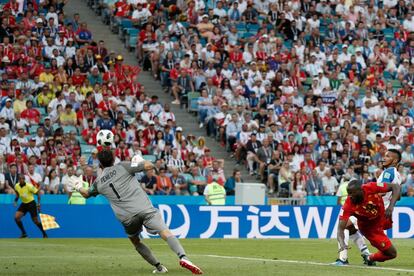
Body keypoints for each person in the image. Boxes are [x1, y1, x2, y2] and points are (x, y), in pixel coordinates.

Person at [73, 150, 203, 274]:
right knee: (164, 231)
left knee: (136, 241)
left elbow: (86, 194)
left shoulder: (98, 183)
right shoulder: (123, 166)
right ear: (113, 159)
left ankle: (159, 267)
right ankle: (183, 257)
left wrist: (78, 186)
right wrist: (140, 160)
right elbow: (149, 165)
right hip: (144, 208)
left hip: (126, 218)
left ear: (100, 164)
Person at [336, 179, 400, 265]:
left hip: (383, 217)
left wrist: (391, 206)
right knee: (392, 253)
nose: (349, 196)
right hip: (371, 229)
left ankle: (364, 253)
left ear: (361, 190)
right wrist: (342, 243)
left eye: (352, 193)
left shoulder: (371, 187)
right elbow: (340, 229)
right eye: (348, 193)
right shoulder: (348, 205)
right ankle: (370, 257)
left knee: (350, 227)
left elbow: (395, 186)